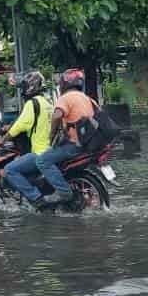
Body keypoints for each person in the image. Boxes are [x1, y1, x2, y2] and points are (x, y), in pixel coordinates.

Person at [33, 68, 96, 206]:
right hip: (88, 144)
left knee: (42, 161)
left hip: (74, 146)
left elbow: (56, 116)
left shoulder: (66, 98)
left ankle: (65, 193)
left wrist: (52, 135)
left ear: (65, 84)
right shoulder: (87, 98)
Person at [2, 71, 55, 205]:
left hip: (39, 153)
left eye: (24, 87)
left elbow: (19, 126)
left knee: (9, 169)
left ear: (31, 87)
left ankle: (36, 198)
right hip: (51, 150)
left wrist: (3, 139)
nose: (23, 90)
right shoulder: (47, 102)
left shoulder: (32, 103)